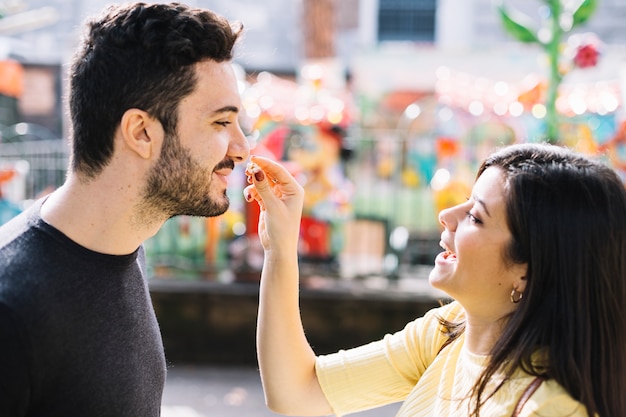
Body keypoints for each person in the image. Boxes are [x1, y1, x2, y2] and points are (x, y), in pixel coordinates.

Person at [244, 142, 626, 417]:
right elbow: (298, 393)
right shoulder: (448, 332)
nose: (446, 214)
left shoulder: (550, 408)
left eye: (476, 217)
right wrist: (279, 248)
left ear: (528, 269)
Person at [0, 2, 248, 415]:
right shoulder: (12, 312)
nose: (243, 149)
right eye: (221, 123)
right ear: (141, 132)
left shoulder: (124, 250)